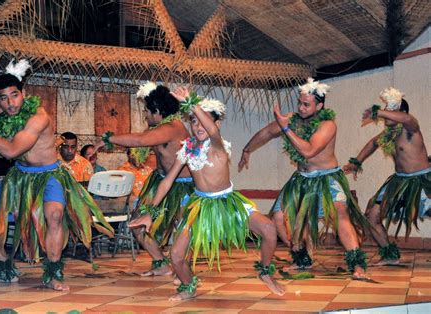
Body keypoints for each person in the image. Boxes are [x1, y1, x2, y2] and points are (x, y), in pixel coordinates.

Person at [0, 59, 113, 290]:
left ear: (24, 93)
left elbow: (12, 150)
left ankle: (53, 274)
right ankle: (5, 269)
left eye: (14, 95)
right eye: (3, 98)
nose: (10, 103)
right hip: (19, 177)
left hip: (49, 175)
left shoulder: (39, 117)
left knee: (54, 215)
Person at [129, 87, 286, 300]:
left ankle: (265, 272)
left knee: (268, 228)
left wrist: (191, 102)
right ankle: (188, 286)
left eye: (202, 122)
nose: (198, 126)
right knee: (175, 256)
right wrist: (151, 211)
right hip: (201, 206)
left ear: (215, 124)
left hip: (228, 203)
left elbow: (211, 129)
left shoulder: (218, 145)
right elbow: (167, 182)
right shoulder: (186, 149)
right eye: (193, 122)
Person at [239, 78, 370, 279]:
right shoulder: (293, 119)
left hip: (327, 178)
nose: (301, 108)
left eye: (306, 104)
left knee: (340, 213)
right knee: (278, 217)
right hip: (301, 178)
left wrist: (286, 128)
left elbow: (308, 151)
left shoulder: (328, 125)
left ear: (319, 105)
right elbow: (267, 132)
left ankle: (357, 263)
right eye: (299, 103)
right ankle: (301, 257)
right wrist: (247, 148)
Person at [94, 82, 194, 277]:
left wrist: (109, 138)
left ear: (157, 111)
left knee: (183, 230)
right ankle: (160, 263)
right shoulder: (159, 127)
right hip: (160, 181)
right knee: (137, 222)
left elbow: (140, 140)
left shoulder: (173, 128)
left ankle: (186, 273)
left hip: (182, 186)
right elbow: (141, 141)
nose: (145, 115)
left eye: (147, 111)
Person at [343, 87, 430, 265]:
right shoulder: (389, 135)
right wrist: (356, 162)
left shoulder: (410, 128)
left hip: (423, 181)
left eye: (391, 112)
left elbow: (406, 118)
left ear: (401, 112)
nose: (385, 117)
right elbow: (372, 143)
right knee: (372, 215)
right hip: (399, 182)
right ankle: (390, 255)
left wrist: (377, 111)